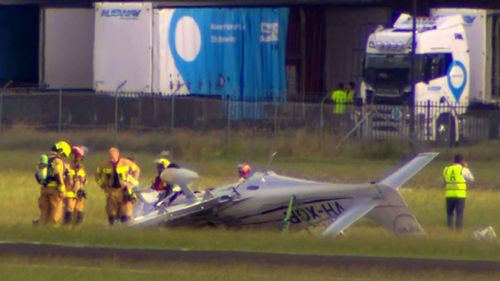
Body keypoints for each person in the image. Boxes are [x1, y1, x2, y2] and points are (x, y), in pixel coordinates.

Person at [95, 147, 141, 225]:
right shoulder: (105, 165)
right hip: (111, 192)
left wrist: (131, 183)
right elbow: (97, 174)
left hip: (124, 191)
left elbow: (137, 170)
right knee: (111, 214)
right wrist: (103, 186)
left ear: (118, 155)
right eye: (110, 157)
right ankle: (113, 229)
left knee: (125, 215)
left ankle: (124, 229)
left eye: (113, 157)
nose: (111, 159)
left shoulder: (126, 162)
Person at [36, 141, 71, 226]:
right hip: (55, 191)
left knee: (44, 215)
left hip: (44, 190)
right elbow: (57, 174)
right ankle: (52, 233)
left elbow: (37, 175)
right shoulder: (58, 161)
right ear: (61, 151)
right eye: (64, 155)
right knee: (55, 216)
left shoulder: (44, 160)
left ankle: (40, 232)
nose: (63, 157)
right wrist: (62, 189)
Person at [442, 154, 474, 231]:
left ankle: (449, 229)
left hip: (449, 195)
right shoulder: (463, 170)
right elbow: (471, 179)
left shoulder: (446, 169)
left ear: (453, 160)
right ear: (462, 161)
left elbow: (444, 181)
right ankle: (458, 231)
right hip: (460, 195)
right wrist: (466, 167)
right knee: (459, 214)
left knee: (449, 214)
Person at [63, 145, 88, 226]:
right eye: (77, 156)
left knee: (79, 214)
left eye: (80, 157)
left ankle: (76, 231)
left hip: (79, 193)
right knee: (69, 210)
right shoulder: (66, 166)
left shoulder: (82, 168)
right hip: (69, 192)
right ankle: (66, 229)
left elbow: (84, 180)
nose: (78, 159)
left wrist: (82, 187)